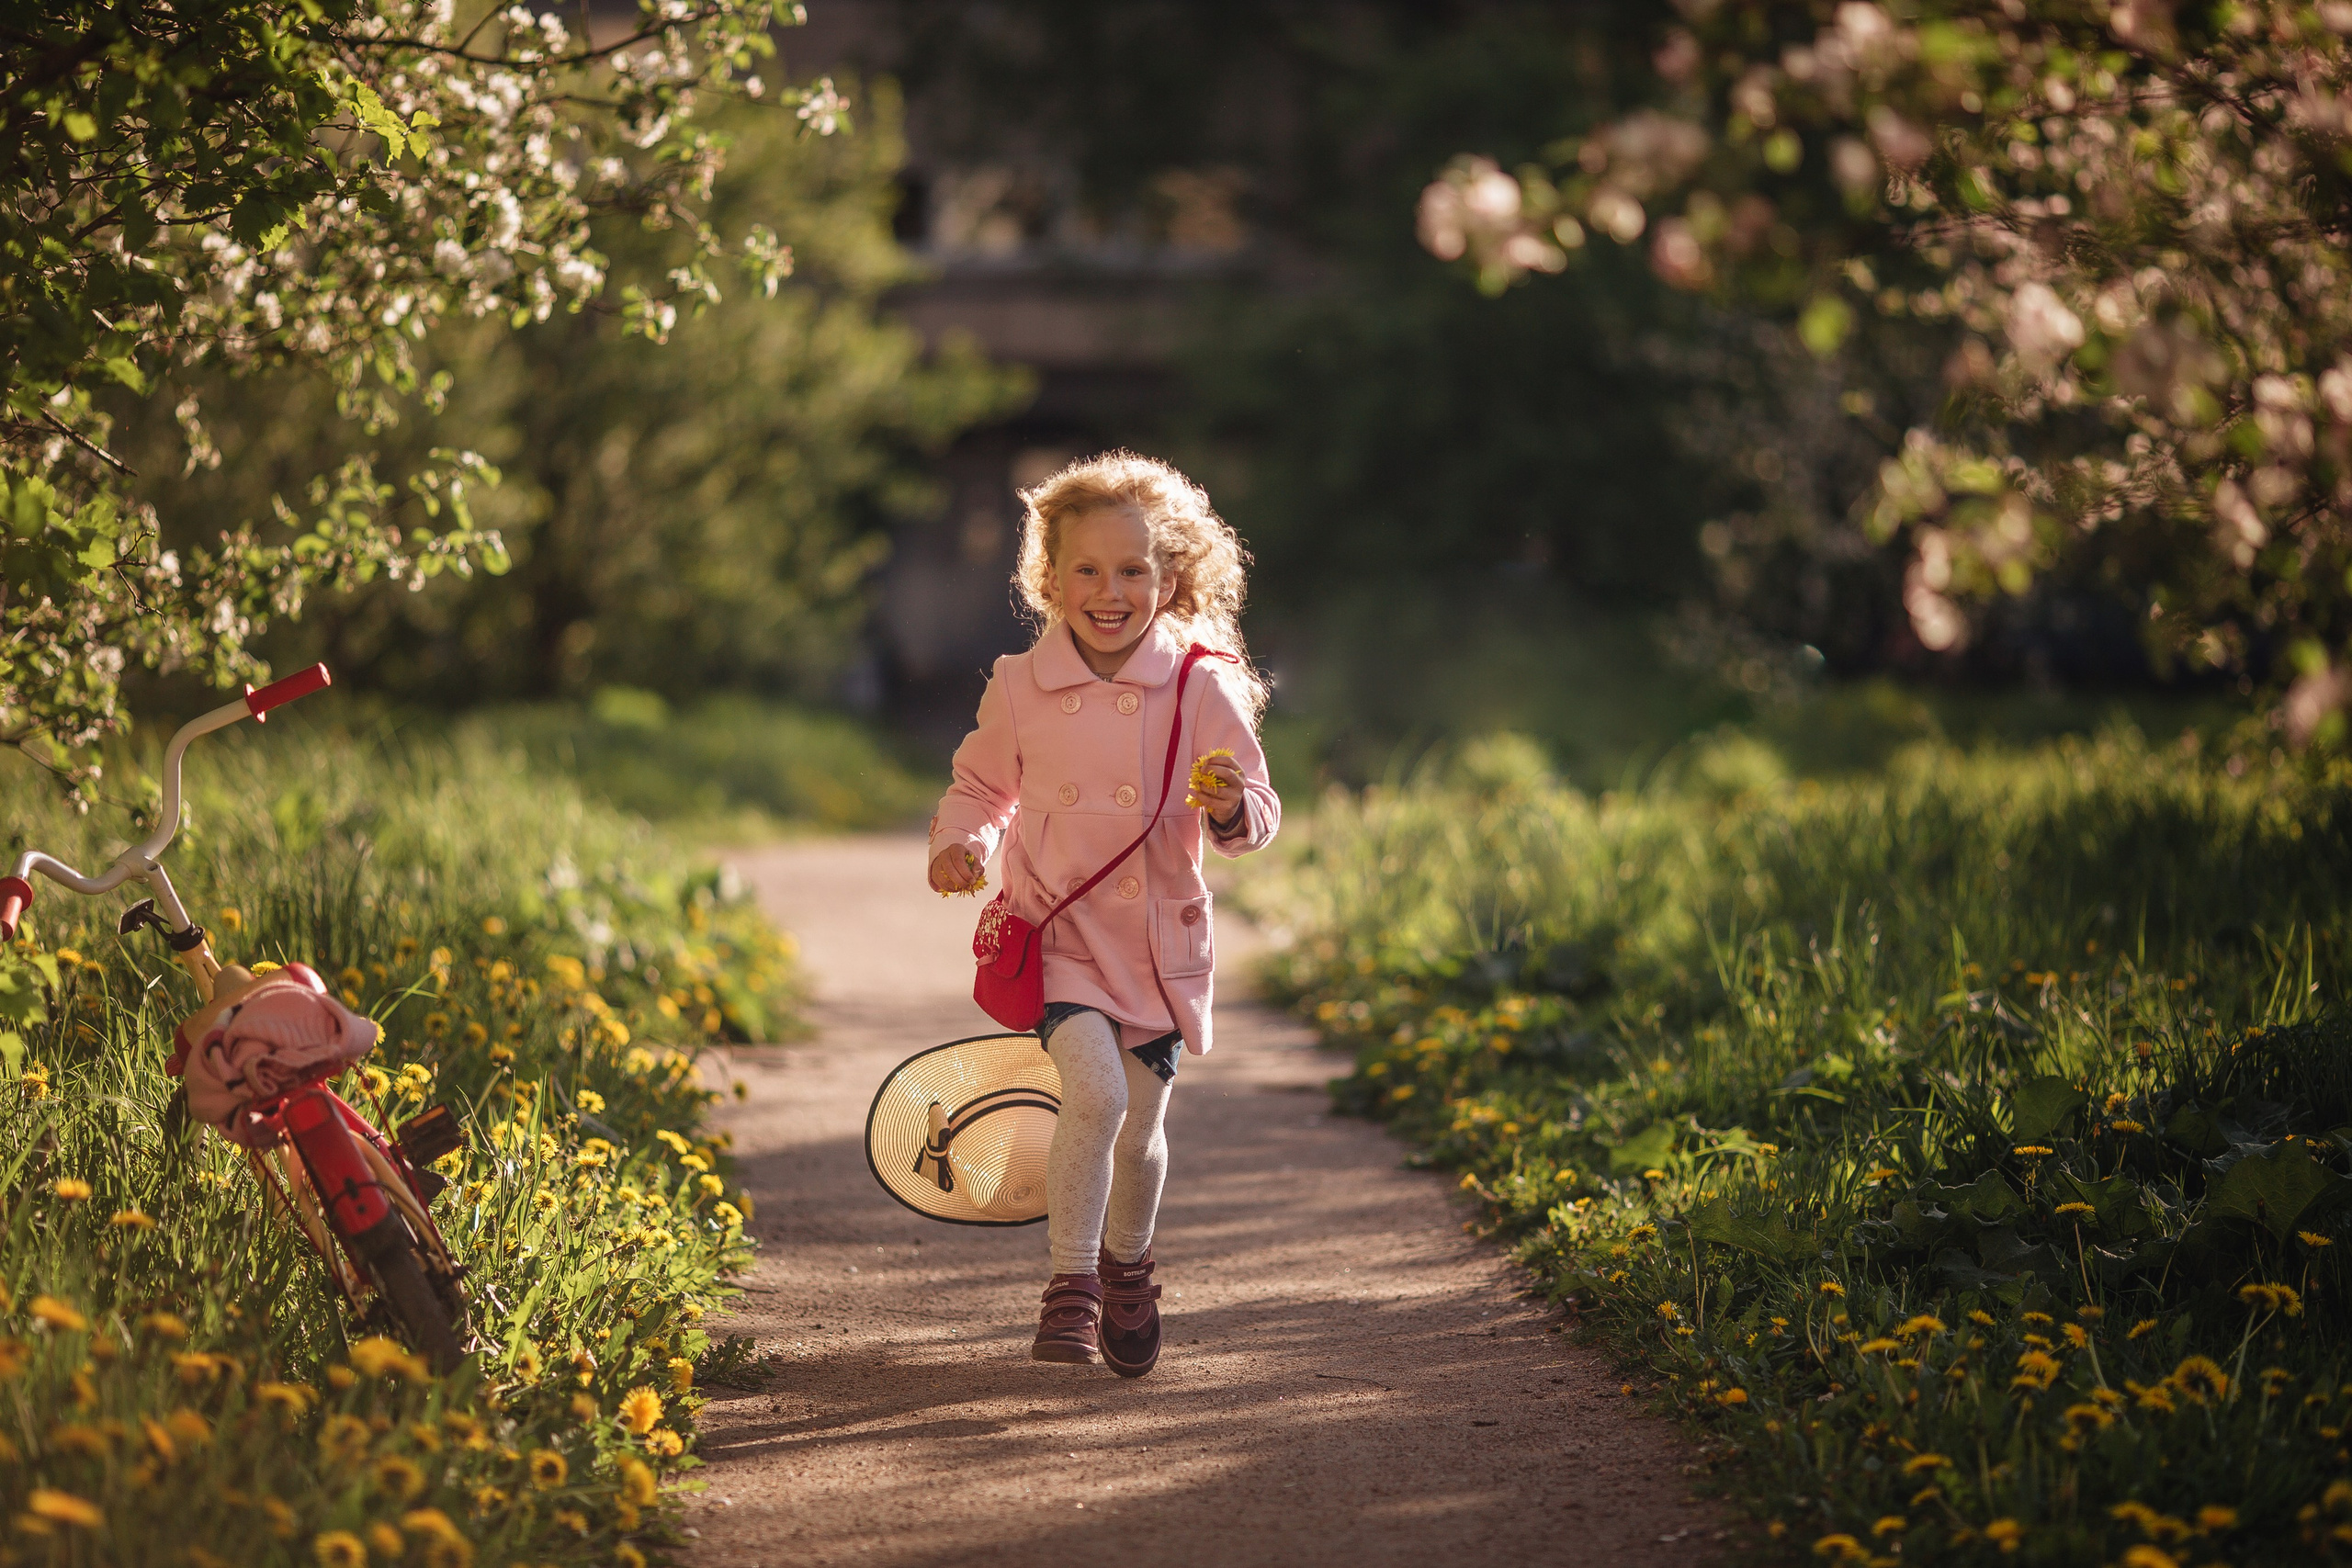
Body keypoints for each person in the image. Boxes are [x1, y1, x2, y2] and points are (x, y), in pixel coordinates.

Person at [926, 451, 1280, 1377]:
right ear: (1048, 578)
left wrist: (1228, 804)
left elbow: (1257, 811)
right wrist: (963, 845)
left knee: (1142, 1128)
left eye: (1133, 571)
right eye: (1086, 569)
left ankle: (1130, 1269)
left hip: (1158, 948)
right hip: (1062, 935)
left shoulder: (1201, 683)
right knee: (1097, 1094)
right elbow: (979, 787)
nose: (1109, 591)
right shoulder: (1019, 684)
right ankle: (1071, 1288)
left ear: (1170, 579)